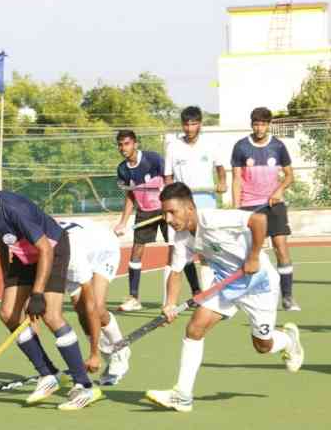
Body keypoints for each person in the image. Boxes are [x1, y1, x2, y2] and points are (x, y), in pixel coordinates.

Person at [145, 183, 304, 412]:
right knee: (194, 329)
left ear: (189, 208)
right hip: (225, 285)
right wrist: (169, 303)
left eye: (172, 212)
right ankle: (182, 394)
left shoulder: (213, 219)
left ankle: (288, 340)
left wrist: (253, 256)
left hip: (259, 282)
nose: (168, 218)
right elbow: (176, 271)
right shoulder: (180, 237)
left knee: (262, 346)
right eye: (164, 213)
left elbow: (258, 220)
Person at [0, 164, 102, 411]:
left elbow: (45, 249)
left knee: (51, 315)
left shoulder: (15, 210)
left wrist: (36, 294)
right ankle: (47, 375)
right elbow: (0, 236)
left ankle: (85, 386)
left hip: (52, 250)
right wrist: (8, 278)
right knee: (8, 314)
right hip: (23, 253)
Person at [231, 107, 300, 312]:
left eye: (263, 124)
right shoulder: (241, 147)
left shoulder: (278, 146)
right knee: (251, 252)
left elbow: (289, 176)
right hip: (249, 206)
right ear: (251, 124)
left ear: (269, 125)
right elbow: (236, 179)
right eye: (256, 123)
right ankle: (249, 295)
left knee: (281, 247)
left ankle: (287, 297)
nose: (259, 127)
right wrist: (236, 209)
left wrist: (279, 190)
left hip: (274, 205)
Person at [164, 106, 227, 300]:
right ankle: (187, 294)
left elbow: (220, 168)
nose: (189, 128)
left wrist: (222, 182)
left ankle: (209, 296)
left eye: (193, 124)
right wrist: (170, 203)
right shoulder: (173, 146)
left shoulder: (210, 144)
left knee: (207, 251)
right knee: (181, 251)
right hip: (182, 208)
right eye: (186, 124)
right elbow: (168, 177)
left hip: (206, 205)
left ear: (200, 124)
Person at [60, 219, 130, 386]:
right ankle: (108, 353)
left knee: (96, 308)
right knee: (80, 309)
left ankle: (120, 351)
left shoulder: (73, 256)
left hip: (105, 249)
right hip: (82, 247)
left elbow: (91, 305)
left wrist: (93, 354)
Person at [113, 130, 168, 311]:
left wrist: (171, 208)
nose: (123, 148)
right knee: (135, 253)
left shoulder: (153, 159)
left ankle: (197, 291)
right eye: (120, 144)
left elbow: (169, 182)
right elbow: (130, 196)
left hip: (164, 209)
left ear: (135, 144)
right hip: (144, 212)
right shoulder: (122, 169)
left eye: (127, 143)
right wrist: (123, 222)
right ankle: (134, 298)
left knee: (179, 248)